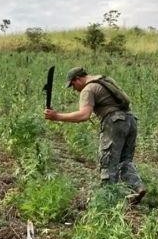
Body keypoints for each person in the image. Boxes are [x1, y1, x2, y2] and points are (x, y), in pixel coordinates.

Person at [44, 67, 146, 204]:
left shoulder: (88, 89)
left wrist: (57, 116)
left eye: (73, 85)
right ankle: (137, 187)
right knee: (125, 160)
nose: (74, 89)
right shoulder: (104, 81)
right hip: (130, 121)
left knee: (108, 162)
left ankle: (108, 201)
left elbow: (83, 115)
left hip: (114, 122)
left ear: (78, 79)